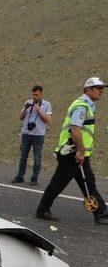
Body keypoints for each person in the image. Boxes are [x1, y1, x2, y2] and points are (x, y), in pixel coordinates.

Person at [36, 77, 108, 223]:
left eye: (102, 88)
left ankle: (100, 212)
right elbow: (75, 129)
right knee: (59, 183)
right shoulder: (81, 106)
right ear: (88, 90)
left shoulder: (87, 105)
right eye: (98, 88)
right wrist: (81, 152)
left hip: (78, 153)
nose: (102, 91)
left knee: (88, 182)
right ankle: (42, 210)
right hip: (72, 153)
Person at [11, 85, 52, 186]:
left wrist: (39, 111)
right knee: (22, 157)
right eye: (33, 94)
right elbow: (20, 118)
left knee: (37, 158)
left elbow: (48, 120)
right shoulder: (28, 102)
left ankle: (34, 178)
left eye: (36, 95)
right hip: (26, 134)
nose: (34, 97)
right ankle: (20, 176)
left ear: (41, 94)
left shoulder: (46, 104)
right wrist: (25, 109)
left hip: (38, 135)